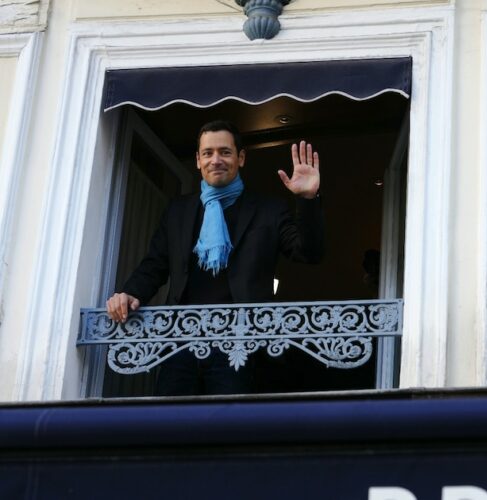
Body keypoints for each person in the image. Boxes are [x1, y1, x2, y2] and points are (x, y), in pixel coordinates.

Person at [105, 119, 324, 396]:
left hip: (241, 347)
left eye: (225, 152)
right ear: (197, 160)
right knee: (168, 426)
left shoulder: (269, 210)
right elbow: (155, 265)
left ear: (241, 158)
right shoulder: (178, 211)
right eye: (208, 153)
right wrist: (129, 293)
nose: (216, 160)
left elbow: (310, 253)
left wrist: (307, 200)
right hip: (181, 345)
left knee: (229, 431)